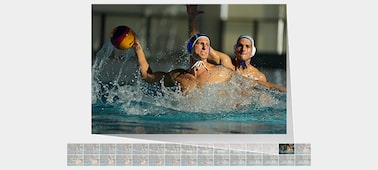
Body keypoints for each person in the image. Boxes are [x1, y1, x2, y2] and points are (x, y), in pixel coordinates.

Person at [186, 5, 286, 92]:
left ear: (253, 51)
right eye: (240, 45)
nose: (243, 49)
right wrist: (192, 18)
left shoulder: (258, 76)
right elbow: (198, 42)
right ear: (235, 49)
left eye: (247, 46)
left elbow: (264, 92)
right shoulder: (225, 62)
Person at [132, 31, 234, 94]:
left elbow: (244, 84)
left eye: (207, 44)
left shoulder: (222, 72)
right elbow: (147, 77)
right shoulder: (178, 76)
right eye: (201, 43)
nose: (205, 47)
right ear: (191, 48)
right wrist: (137, 47)